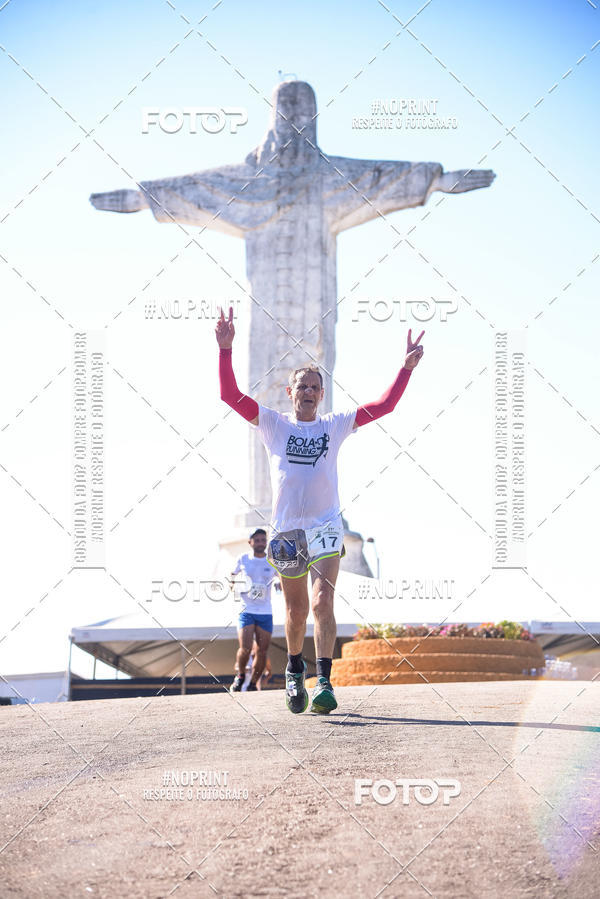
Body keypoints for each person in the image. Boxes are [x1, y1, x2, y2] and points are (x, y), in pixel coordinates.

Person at [216, 307, 424, 714]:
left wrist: (406, 370)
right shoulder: (274, 425)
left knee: (322, 603)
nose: (309, 392)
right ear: (291, 394)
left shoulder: (335, 424)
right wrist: (226, 350)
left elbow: (384, 406)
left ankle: (324, 681)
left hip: (326, 528)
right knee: (294, 613)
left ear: (322, 394)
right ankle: (294, 672)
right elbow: (231, 397)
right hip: (287, 533)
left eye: (315, 386)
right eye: (302, 387)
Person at [229, 528, 279, 693]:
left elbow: (280, 577)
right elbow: (232, 577)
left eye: (263, 540)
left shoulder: (272, 560)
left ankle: (253, 683)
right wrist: (234, 585)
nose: (260, 543)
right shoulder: (243, 559)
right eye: (256, 540)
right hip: (247, 609)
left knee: (263, 650)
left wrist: (280, 583)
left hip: (265, 611)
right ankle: (241, 675)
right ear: (250, 542)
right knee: (246, 648)